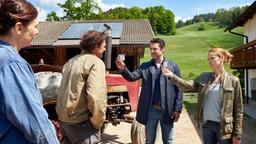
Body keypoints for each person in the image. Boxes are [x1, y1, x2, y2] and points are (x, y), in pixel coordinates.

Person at [0, 0, 59, 143]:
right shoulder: (11, 63)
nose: (37, 31)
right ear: (19, 28)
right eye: (35, 26)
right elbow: (34, 120)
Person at [162, 48, 243, 144]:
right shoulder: (204, 77)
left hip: (224, 127)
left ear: (221, 58)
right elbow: (187, 86)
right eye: (208, 59)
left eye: (212, 58)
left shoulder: (233, 81)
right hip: (207, 125)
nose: (209, 61)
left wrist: (237, 133)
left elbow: (238, 110)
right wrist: (172, 76)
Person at [115, 38, 183, 144]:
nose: (152, 51)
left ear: (162, 49)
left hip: (167, 110)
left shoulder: (173, 66)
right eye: (150, 49)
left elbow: (179, 89)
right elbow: (132, 77)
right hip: (151, 111)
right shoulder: (145, 66)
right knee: (149, 140)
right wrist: (123, 69)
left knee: (168, 141)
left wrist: (178, 109)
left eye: (155, 49)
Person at [56, 30, 107, 144]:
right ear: (95, 47)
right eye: (103, 46)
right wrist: (97, 122)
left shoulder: (70, 62)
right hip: (81, 124)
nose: (105, 49)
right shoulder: (96, 62)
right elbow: (96, 97)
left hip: (64, 121)